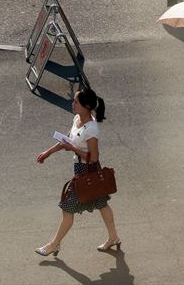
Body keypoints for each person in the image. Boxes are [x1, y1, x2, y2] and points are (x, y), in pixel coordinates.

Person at [34, 89, 121, 256]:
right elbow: (67, 140)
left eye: (76, 102)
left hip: (88, 171)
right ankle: (114, 237)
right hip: (82, 170)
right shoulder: (77, 119)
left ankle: (54, 245)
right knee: (102, 204)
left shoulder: (91, 129)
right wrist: (48, 152)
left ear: (87, 106)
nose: (72, 104)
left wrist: (72, 148)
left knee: (67, 208)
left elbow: (94, 157)